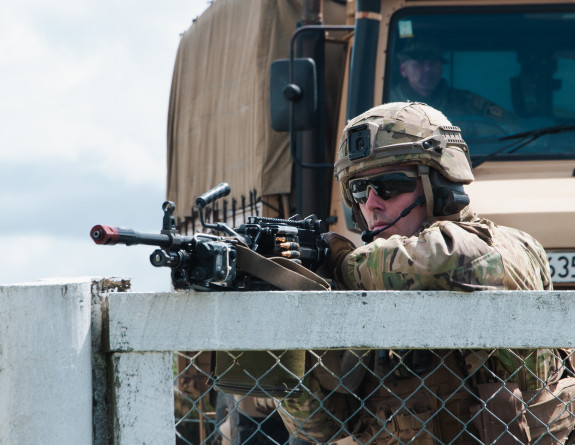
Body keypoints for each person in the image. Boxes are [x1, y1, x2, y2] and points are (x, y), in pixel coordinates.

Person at [276, 102, 575, 444]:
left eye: (389, 186)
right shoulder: (367, 289)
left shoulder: (510, 247)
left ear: (439, 181)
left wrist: (343, 265)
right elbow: (320, 427)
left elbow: (454, 258)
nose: (372, 204)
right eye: (359, 190)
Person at [390, 39, 518, 134]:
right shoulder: (387, 103)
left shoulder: (464, 101)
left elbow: (513, 126)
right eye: (420, 63)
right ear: (403, 69)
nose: (428, 70)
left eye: (433, 63)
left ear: (441, 68)